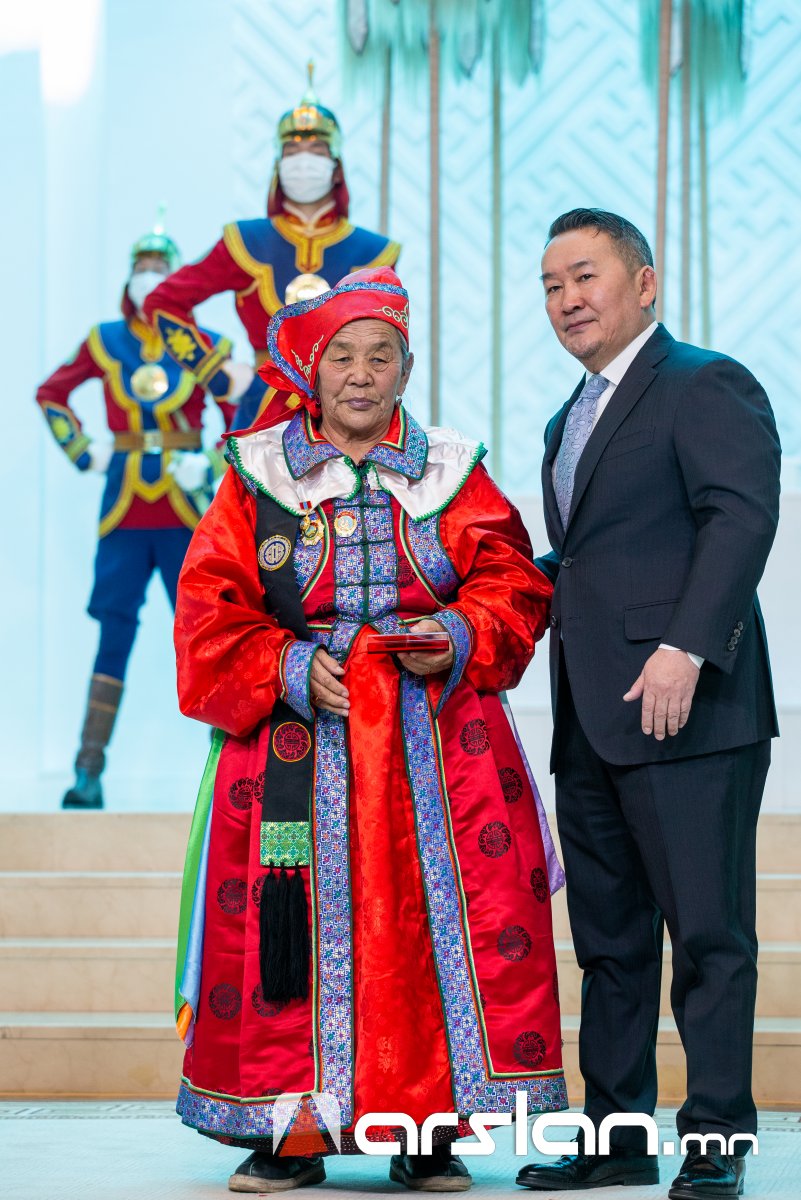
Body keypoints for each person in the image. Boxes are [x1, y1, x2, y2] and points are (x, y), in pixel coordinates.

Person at [172, 266, 567, 1193]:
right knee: (286, 927)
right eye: (341, 356)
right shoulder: (255, 473)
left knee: (433, 925)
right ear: (311, 369)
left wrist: (458, 632)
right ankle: (288, 1133)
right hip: (294, 745)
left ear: (407, 368)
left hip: (436, 745)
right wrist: (284, 664)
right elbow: (208, 607)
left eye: (380, 356)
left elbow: (513, 580)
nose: (360, 374)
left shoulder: (451, 472)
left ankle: (428, 1131)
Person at [515, 210, 780, 1200]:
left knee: (708, 939)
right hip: (590, 719)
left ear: (645, 282)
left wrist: (686, 648)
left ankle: (715, 1142)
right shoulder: (566, 419)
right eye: (551, 286)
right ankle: (616, 1135)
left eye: (584, 275)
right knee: (612, 947)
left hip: (689, 712)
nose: (566, 299)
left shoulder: (704, 382)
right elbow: (590, 558)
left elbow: (738, 518)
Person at [36, 220, 241, 809]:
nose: (149, 275)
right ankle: (88, 769)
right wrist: (83, 450)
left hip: (186, 510)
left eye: (159, 267)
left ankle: (233, 773)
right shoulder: (105, 340)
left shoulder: (200, 343)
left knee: (206, 635)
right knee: (114, 634)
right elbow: (52, 393)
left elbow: (243, 413)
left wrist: (211, 460)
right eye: (141, 266)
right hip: (124, 512)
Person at [144, 65, 401, 431]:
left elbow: (387, 346)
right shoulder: (245, 241)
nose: (304, 161)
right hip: (264, 409)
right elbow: (163, 302)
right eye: (292, 151)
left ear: (335, 167)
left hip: (351, 411)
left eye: (316, 150)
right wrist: (214, 370)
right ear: (279, 165)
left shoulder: (373, 252)